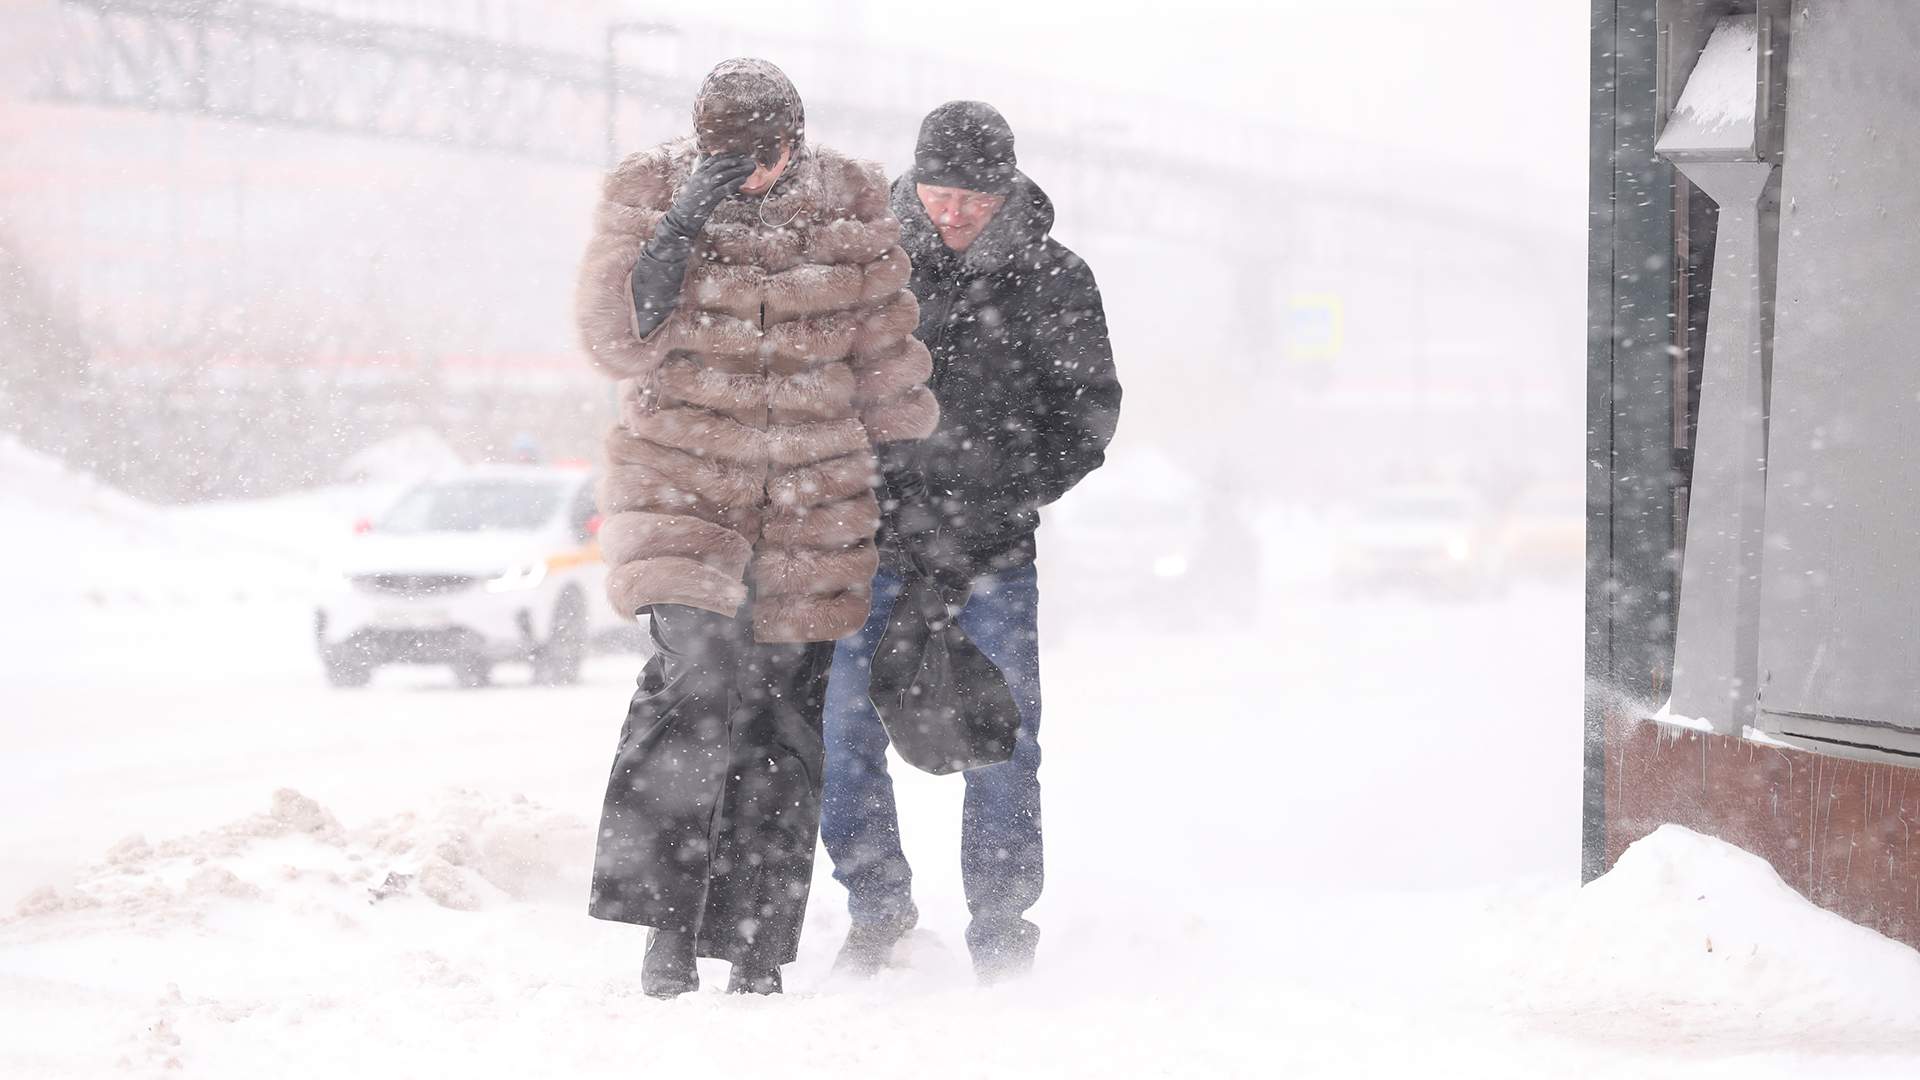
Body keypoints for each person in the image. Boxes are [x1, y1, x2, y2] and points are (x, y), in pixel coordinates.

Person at [573, 59, 938, 997]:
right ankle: (667, 925)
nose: (745, 172)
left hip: (813, 504)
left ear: (794, 140)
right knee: (697, 681)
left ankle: (756, 946)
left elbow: (887, 368)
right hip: (681, 490)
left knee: (782, 719)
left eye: (759, 157)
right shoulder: (654, 190)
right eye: (722, 154)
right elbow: (619, 335)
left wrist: (905, 508)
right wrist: (686, 216)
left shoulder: (853, 200)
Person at [820, 100, 1122, 983]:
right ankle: (875, 911)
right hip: (865, 545)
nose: (953, 214)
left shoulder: (1055, 279)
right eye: (939, 194)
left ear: (1005, 190)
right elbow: (816, 391)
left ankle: (1001, 926)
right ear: (913, 183)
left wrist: (995, 502)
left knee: (1005, 737)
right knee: (841, 732)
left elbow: (1086, 417)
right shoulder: (864, 269)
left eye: (974, 200)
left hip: (989, 554)